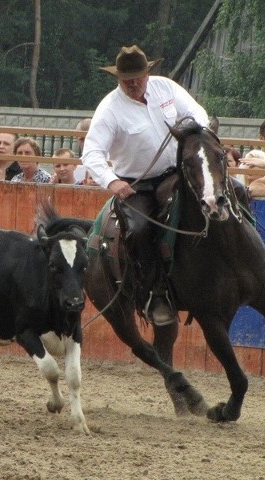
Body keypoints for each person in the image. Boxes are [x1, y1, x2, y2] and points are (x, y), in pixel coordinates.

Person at [82, 45, 209, 325]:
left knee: (223, 194)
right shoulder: (109, 109)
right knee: (138, 230)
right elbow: (91, 152)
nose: (133, 83)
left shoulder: (166, 88)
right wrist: (112, 181)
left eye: (137, 77)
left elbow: (198, 112)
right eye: (127, 79)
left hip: (177, 172)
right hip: (137, 185)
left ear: (147, 74)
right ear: (118, 78)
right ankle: (156, 291)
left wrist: (192, 130)